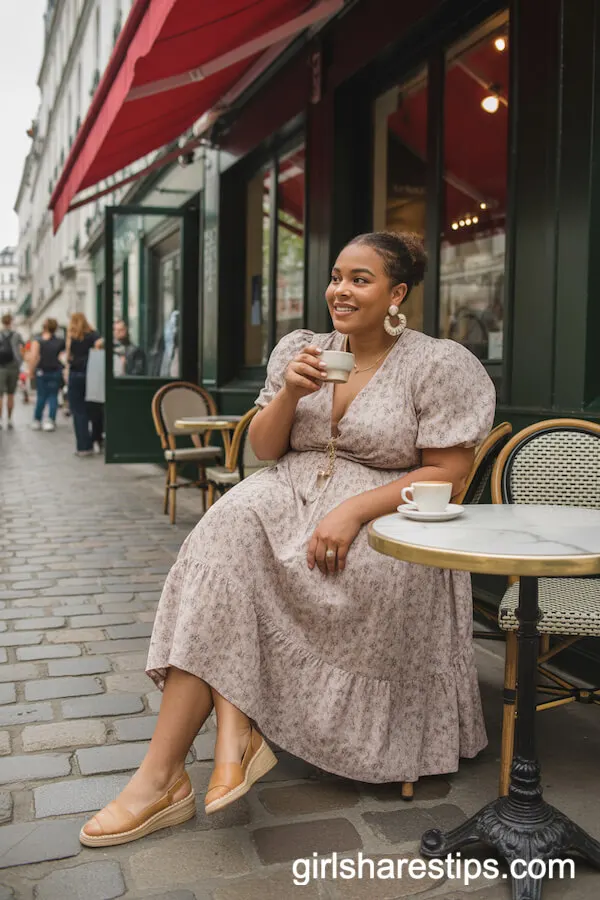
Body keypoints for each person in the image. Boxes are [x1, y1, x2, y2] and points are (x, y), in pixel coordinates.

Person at [80, 231, 496, 848]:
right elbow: (266, 450)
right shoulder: (300, 351)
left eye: (360, 279)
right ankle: (164, 772)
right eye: (336, 276)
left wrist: (354, 511)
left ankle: (221, 741)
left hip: (386, 514)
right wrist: (293, 394)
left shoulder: (437, 363)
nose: (340, 290)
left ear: (396, 293)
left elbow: (448, 473)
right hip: (287, 492)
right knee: (218, 545)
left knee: (326, 569)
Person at [66, 312, 104, 456]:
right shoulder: (93, 335)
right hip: (92, 374)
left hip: (76, 375)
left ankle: (83, 446)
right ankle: (96, 440)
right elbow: (100, 344)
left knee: (78, 411)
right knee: (94, 408)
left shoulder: (72, 336)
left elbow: (69, 356)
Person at [29, 318, 65, 431]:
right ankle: (50, 420)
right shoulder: (59, 341)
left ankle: (37, 420)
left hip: (42, 371)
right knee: (53, 396)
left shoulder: (37, 340)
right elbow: (64, 355)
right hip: (56, 370)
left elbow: (34, 357)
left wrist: (31, 370)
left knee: (41, 396)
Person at [0, 313, 24, 430]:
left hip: (0, 367)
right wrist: (20, 361)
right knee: (11, 395)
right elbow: (24, 348)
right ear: (11, 322)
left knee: (0, 396)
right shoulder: (16, 335)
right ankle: (9, 420)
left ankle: (0, 421)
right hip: (13, 366)